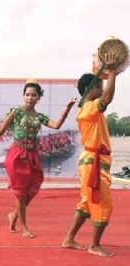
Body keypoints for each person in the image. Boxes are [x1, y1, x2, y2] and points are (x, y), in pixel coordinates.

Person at [0, 79, 77, 238]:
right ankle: (24, 227)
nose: (30, 98)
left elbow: (56, 126)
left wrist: (67, 109)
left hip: (33, 155)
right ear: (23, 96)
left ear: (38, 97)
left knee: (32, 189)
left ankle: (14, 214)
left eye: (33, 95)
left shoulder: (39, 116)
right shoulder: (16, 112)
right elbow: (0, 131)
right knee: (20, 192)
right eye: (27, 95)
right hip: (17, 155)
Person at [62, 53, 118, 257]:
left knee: (86, 202)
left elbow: (105, 99)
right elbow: (107, 99)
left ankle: (69, 239)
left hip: (92, 160)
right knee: (103, 204)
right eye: (98, 86)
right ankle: (94, 245)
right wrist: (112, 72)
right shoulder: (88, 108)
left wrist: (111, 73)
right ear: (88, 90)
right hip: (93, 161)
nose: (101, 89)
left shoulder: (89, 109)